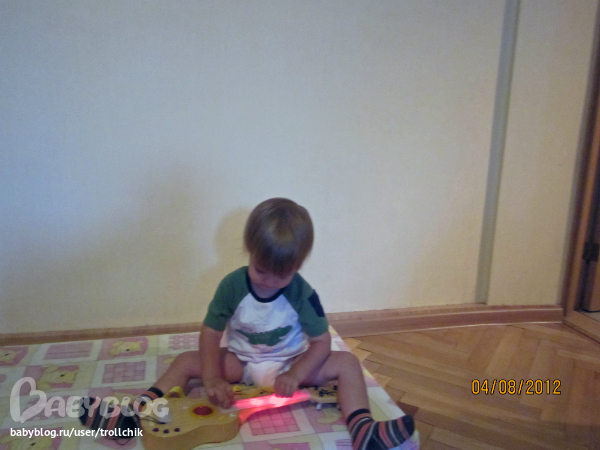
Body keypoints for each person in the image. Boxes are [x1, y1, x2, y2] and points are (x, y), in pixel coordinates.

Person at [80, 198, 415, 450]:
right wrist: (212, 377)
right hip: (241, 363)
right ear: (249, 251)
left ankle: (362, 428)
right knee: (185, 361)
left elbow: (321, 342)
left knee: (348, 362)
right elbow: (210, 333)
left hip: (290, 363)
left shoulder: (303, 293)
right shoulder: (231, 286)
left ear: (298, 266)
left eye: (282, 275)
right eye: (260, 271)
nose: (269, 282)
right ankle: (132, 415)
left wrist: (297, 374)